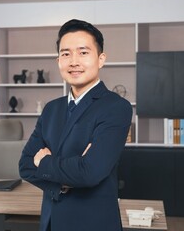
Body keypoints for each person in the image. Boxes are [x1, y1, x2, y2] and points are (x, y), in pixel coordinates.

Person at [18, 19, 132, 231]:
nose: (73, 61)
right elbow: (25, 165)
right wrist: (70, 172)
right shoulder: (52, 109)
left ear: (101, 59)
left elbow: (90, 172)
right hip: (51, 223)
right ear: (58, 60)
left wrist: (44, 162)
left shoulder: (116, 107)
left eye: (83, 52)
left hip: (92, 224)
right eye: (66, 54)